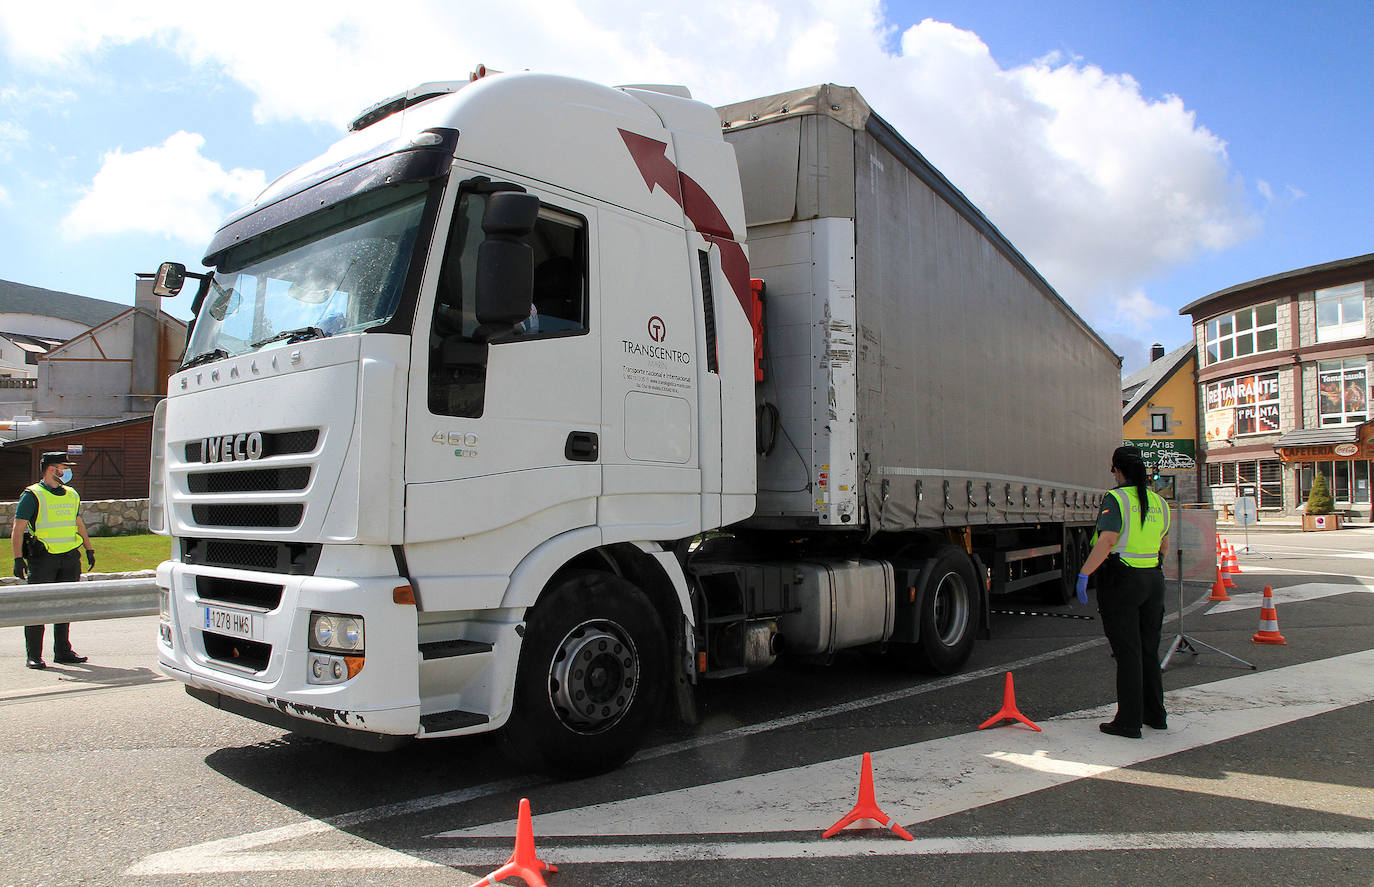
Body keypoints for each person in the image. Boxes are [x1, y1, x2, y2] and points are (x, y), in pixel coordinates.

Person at [1074, 446, 1170, 738]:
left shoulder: (1115, 498)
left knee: (1127, 652)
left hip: (1123, 581)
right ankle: (1156, 715)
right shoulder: (1159, 501)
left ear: (1117, 470)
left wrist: (1084, 574)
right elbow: (1164, 544)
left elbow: (1107, 540)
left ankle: (1128, 721)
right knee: (1148, 650)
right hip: (1153, 580)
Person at [11, 452, 96, 669]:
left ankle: (63, 651)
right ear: (51, 469)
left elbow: (78, 523)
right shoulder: (33, 495)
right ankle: (34, 655)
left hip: (69, 557)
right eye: (63, 467)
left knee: (64, 606)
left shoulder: (71, 494)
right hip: (43, 559)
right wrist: (18, 559)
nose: (67, 472)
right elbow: (18, 528)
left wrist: (89, 549)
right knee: (37, 608)